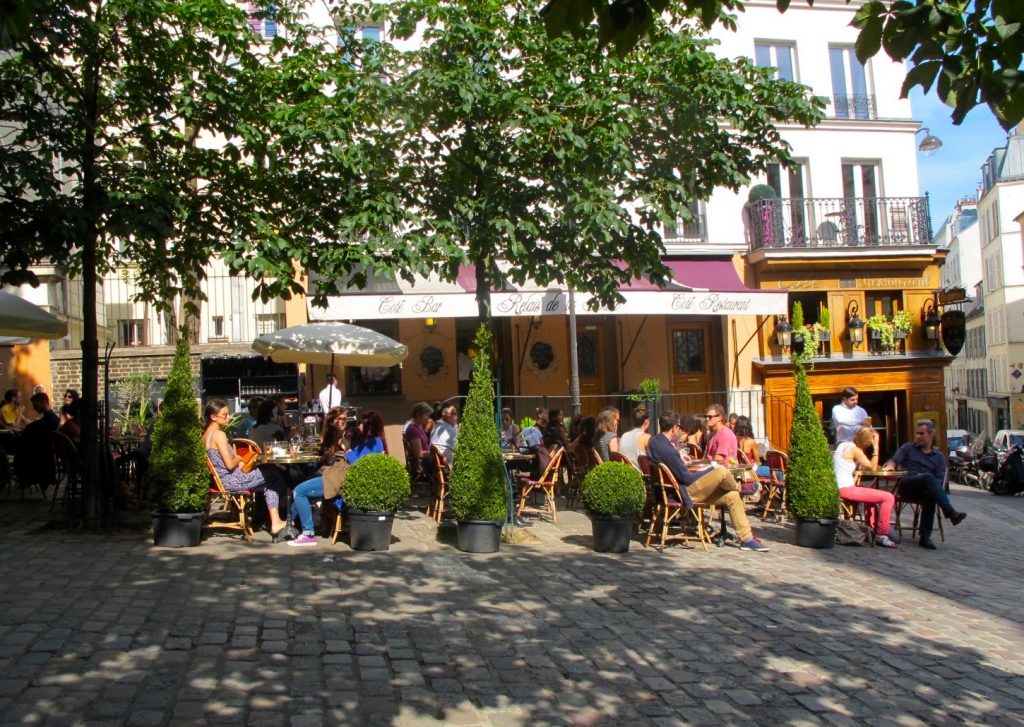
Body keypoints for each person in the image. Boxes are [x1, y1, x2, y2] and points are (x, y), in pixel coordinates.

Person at [647, 410, 769, 552]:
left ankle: (746, 539)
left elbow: (678, 470)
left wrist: (683, 460)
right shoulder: (668, 451)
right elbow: (687, 478)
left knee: (732, 497)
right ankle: (740, 487)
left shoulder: (655, 442)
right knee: (722, 471)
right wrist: (710, 469)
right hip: (683, 492)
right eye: (678, 427)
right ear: (674, 428)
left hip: (673, 489)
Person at [203, 399, 290, 540]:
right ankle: (278, 517)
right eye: (224, 415)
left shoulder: (206, 435)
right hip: (232, 481)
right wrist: (239, 459)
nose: (228, 417)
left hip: (223, 480)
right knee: (272, 472)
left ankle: (275, 521)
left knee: (270, 479)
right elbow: (230, 464)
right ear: (213, 417)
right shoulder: (219, 435)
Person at [883, 419, 966, 549]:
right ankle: (950, 512)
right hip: (907, 485)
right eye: (917, 433)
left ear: (931, 434)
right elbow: (894, 460)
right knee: (927, 478)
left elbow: (939, 481)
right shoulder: (908, 448)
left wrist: (927, 480)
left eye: (922, 433)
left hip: (925, 490)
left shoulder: (938, 456)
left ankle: (925, 537)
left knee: (929, 493)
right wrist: (890, 465)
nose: (918, 436)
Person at [287, 406, 352, 547]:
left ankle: (308, 533)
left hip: (336, 478)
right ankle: (292, 523)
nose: (342, 422)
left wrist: (345, 447)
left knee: (300, 491)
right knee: (298, 482)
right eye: (339, 419)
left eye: (344, 419)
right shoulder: (330, 437)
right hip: (330, 474)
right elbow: (320, 452)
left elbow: (349, 458)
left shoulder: (344, 438)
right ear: (331, 421)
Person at [833, 427, 898, 548]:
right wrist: (876, 447)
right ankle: (881, 533)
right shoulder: (855, 450)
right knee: (888, 497)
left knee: (872, 496)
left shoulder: (844, 445)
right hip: (846, 489)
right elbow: (872, 467)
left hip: (838, 486)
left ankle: (871, 528)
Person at [13, 392, 60, 492]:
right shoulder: (51, 419)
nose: (34, 408)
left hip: (40, 456)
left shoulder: (49, 421)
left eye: (35, 405)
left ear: (42, 402)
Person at [403, 402, 433, 478]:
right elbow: (419, 454)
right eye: (426, 415)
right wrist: (432, 453)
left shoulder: (419, 427)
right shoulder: (413, 430)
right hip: (422, 464)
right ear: (418, 415)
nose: (428, 418)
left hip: (426, 460)